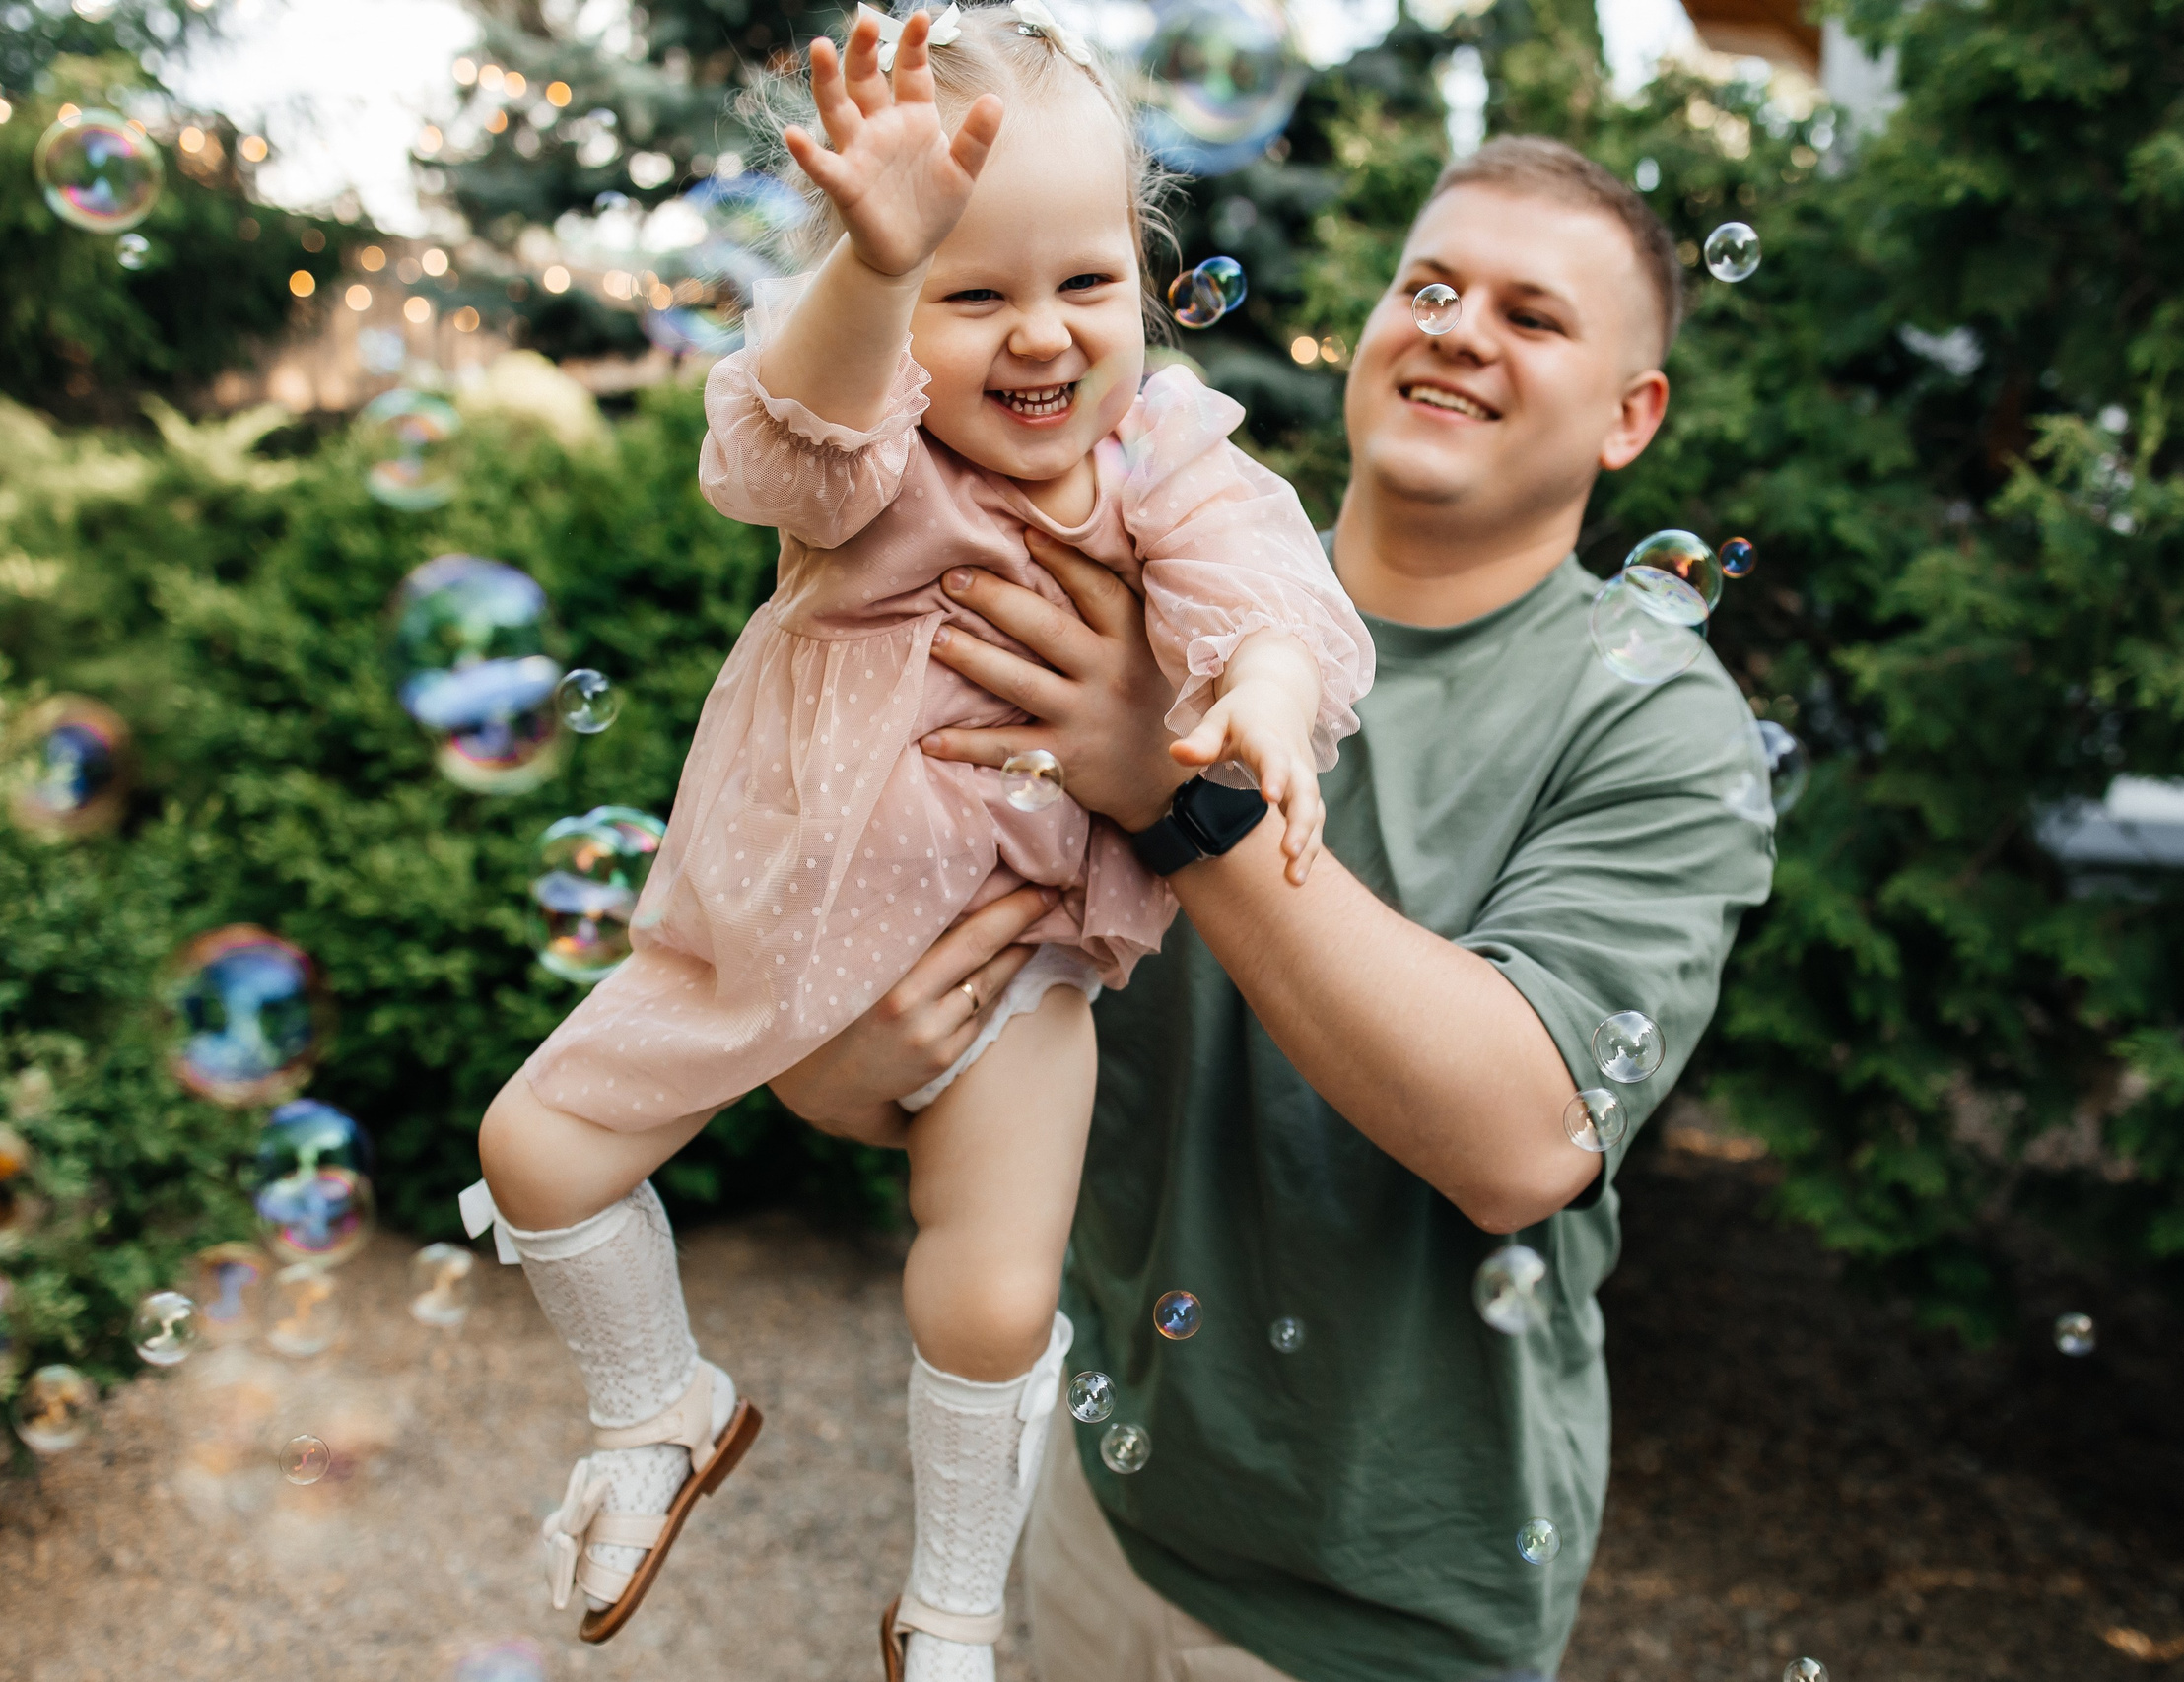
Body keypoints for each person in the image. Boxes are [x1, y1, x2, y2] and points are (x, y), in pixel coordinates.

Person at [772, 135, 1777, 1678]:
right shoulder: (1156, 580)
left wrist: (1162, 783)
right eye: (1428, 285)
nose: (1455, 327)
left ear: (1632, 415)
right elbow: (908, 1035)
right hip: (1107, 1497)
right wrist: (845, 1063)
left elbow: (1524, 1141)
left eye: (1531, 313)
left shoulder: (1651, 722)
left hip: (1385, 1601)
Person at [456, 8, 1373, 1678]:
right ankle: (658, 1403)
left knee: (992, 1295)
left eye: (1085, 283)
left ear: (1147, 278)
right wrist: (872, 277)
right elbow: (772, 446)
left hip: (1017, 959)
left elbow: (1265, 577)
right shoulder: (865, 443)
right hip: (759, 929)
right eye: (970, 290)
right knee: (536, 1149)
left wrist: (1265, 682)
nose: (1040, 336)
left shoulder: (1155, 451)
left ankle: (949, 1611)